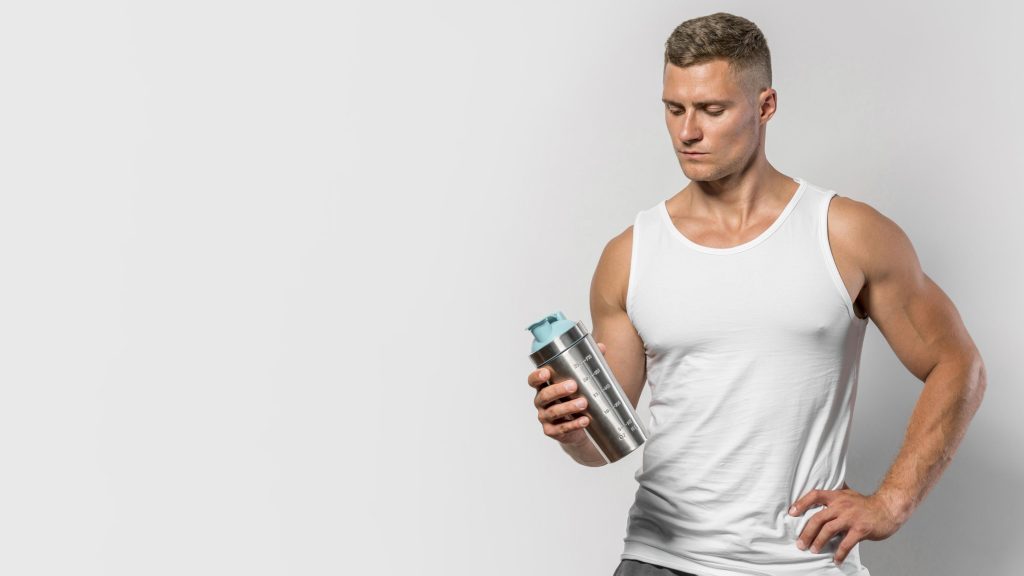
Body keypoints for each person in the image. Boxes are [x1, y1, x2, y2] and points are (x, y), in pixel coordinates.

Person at [526, 11, 987, 576]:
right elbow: (603, 443)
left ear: (765, 106)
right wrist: (570, 427)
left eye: (711, 110)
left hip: (802, 563)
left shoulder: (845, 235)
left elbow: (957, 363)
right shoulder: (630, 255)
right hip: (660, 558)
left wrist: (892, 502)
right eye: (674, 108)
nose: (687, 132)